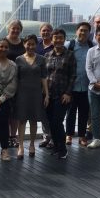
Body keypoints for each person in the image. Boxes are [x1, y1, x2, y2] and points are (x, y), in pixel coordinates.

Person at [45, 29, 76, 159]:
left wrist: (68, 93)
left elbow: (73, 76)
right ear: (52, 40)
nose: (58, 40)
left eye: (61, 38)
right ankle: (56, 146)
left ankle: (63, 148)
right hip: (48, 95)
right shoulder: (47, 55)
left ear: (64, 39)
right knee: (51, 122)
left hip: (62, 95)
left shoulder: (70, 55)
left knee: (57, 121)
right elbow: (44, 75)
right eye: (55, 38)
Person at [15, 35, 48, 159]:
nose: (30, 46)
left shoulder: (41, 59)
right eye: (28, 44)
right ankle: (21, 146)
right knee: (21, 120)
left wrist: (47, 95)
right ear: (24, 44)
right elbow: (15, 79)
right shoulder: (18, 59)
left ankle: (32, 144)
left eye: (33, 44)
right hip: (22, 93)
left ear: (36, 45)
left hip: (36, 94)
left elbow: (44, 78)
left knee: (34, 120)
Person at [65, 22, 93, 147]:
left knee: (84, 112)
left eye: (86, 31)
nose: (83, 33)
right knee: (70, 112)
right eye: (81, 30)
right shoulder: (69, 45)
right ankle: (69, 135)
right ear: (76, 31)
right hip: (72, 86)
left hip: (87, 85)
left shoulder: (92, 46)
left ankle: (82, 136)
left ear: (89, 33)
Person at [4, 19, 25, 147]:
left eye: (18, 28)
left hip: (20, 81)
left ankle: (13, 136)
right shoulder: (3, 42)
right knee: (6, 110)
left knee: (16, 111)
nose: (15, 30)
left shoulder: (23, 43)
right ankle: (5, 135)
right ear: (8, 28)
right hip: (5, 80)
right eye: (13, 28)